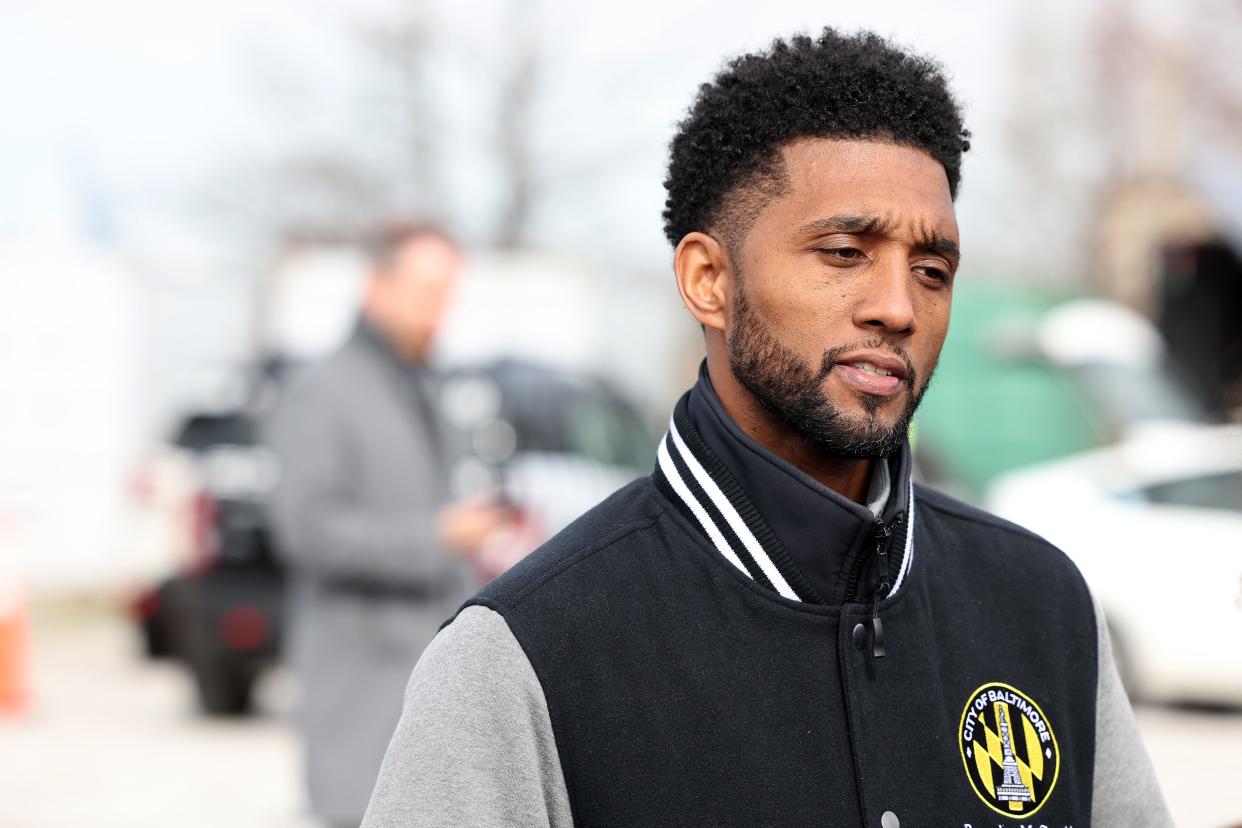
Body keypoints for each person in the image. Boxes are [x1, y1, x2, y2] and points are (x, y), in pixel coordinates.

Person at [363, 31, 1172, 827]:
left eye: (933, 270)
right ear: (708, 280)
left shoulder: (1038, 606)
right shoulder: (528, 654)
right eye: (845, 252)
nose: (897, 306)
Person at [267, 223, 512, 828]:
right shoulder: (322, 391)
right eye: (425, 289)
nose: (438, 309)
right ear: (376, 285)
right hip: (360, 694)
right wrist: (438, 537)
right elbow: (305, 530)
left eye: (448, 292)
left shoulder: (427, 387)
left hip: (434, 684)